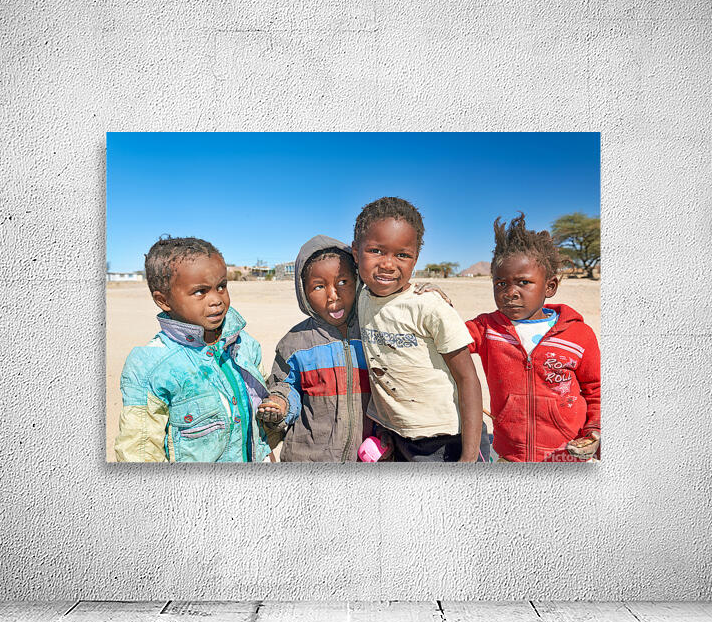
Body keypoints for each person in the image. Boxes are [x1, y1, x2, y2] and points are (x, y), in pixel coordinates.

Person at [113, 237, 271, 462]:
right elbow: (139, 452)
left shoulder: (243, 344)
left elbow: (259, 412)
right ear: (163, 301)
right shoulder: (151, 366)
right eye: (200, 292)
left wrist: (266, 453)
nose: (216, 300)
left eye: (221, 286)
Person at [352, 197, 486, 462]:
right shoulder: (361, 297)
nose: (388, 264)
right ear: (356, 253)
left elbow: (468, 379)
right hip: (398, 435)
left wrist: (469, 458)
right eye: (376, 251)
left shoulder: (429, 306)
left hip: (447, 439)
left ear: (415, 259)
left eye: (402, 255)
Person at [466, 213, 601, 462]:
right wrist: (435, 302)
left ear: (550, 287)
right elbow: (449, 336)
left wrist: (595, 430)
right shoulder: (486, 328)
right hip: (511, 456)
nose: (510, 292)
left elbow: (596, 390)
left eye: (523, 282)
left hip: (568, 456)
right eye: (500, 284)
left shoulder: (578, 335)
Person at [256, 236, 370, 461]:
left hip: (368, 456)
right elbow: (285, 386)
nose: (333, 296)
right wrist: (280, 403)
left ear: (358, 280)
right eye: (319, 286)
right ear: (304, 293)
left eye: (343, 282)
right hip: (308, 458)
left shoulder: (372, 332)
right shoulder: (295, 342)